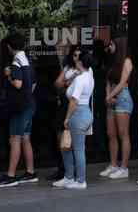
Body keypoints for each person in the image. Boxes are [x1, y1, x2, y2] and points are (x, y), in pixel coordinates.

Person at [0, 33, 38, 188]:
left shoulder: (16, 61)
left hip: (20, 107)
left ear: (9, 47)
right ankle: (30, 172)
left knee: (15, 139)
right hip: (29, 104)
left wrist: (8, 75)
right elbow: (33, 84)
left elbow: (18, 84)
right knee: (26, 138)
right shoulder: (28, 60)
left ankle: (10, 175)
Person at [52, 51, 95, 190]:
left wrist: (67, 118)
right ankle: (69, 177)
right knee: (68, 147)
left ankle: (80, 180)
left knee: (77, 149)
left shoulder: (81, 79)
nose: (75, 61)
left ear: (81, 63)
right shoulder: (88, 76)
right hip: (85, 112)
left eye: (77, 60)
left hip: (78, 114)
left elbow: (74, 100)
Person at [100, 37, 133, 180]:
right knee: (111, 133)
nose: (110, 46)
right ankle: (113, 164)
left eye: (112, 44)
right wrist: (108, 95)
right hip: (112, 96)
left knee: (123, 133)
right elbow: (108, 81)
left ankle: (124, 167)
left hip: (122, 97)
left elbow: (122, 82)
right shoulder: (112, 61)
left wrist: (110, 96)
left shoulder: (127, 61)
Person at [47, 46, 81, 182]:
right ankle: (63, 169)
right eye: (74, 55)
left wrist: (65, 83)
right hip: (64, 104)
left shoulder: (85, 70)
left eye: (79, 55)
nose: (77, 58)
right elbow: (57, 83)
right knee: (60, 136)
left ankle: (74, 171)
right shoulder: (68, 68)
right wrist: (68, 81)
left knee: (75, 139)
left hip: (77, 105)